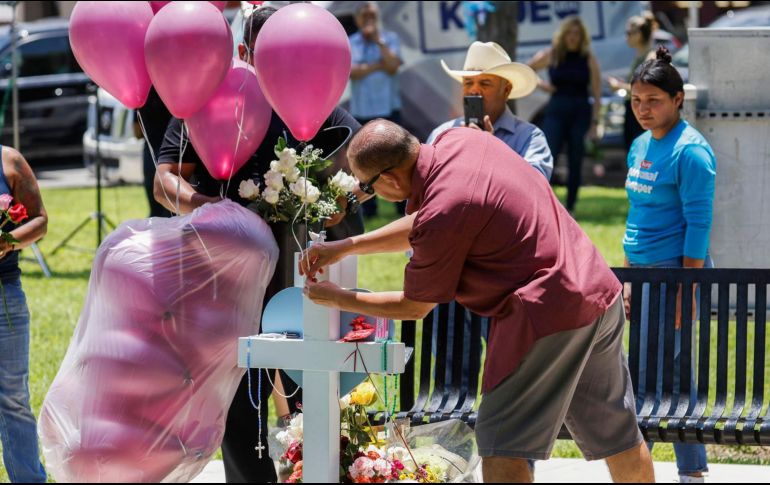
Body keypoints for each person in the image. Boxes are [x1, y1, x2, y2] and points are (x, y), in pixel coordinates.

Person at [300, 120, 655, 483]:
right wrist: (346, 246)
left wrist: (337, 298)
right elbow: (427, 221)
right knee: (618, 436)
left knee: (501, 445)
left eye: (366, 187)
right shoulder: (462, 140)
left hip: (546, 315)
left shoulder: (444, 209)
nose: (366, 193)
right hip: (596, 292)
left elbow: (414, 306)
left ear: (389, 180)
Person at [153, 6, 363, 483]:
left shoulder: (311, 94)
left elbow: (364, 163)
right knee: (237, 401)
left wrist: (339, 200)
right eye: (271, 54)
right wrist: (209, 206)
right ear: (245, 51)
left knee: (313, 391)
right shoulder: (205, 99)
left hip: (300, 279)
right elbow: (164, 180)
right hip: (223, 280)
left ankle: (319, 473)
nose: (284, 65)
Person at [623, 46, 715, 484]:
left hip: (673, 272)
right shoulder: (640, 144)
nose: (643, 109)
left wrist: (687, 288)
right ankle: (686, 470)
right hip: (640, 275)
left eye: (653, 101)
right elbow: (635, 213)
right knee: (658, 371)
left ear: (678, 99)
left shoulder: (691, 152)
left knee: (657, 373)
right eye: (636, 100)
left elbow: (699, 226)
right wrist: (625, 278)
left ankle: (660, 470)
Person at [428, 41, 553, 181]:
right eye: (468, 83)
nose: (474, 90)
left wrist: (491, 151)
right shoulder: (441, 135)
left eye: (485, 83)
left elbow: (535, 188)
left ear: (506, 90)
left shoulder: (530, 138)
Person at [0, 146, 48, 483]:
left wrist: (6, 242)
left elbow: (39, 220)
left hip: (4, 296)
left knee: (13, 397)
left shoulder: (9, 161)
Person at [528, 16, 602, 214]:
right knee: (548, 154)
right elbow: (528, 69)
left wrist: (595, 122)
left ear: (582, 37)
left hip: (580, 110)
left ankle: (570, 206)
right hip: (557, 108)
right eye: (570, 32)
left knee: (575, 158)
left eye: (577, 34)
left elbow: (596, 93)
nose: (573, 37)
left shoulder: (588, 58)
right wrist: (543, 86)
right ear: (563, 34)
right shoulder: (553, 54)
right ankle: (544, 203)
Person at [348, 1, 404, 217]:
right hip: (362, 110)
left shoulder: (389, 39)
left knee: (397, 157)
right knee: (363, 161)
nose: (368, 18)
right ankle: (369, 209)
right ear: (357, 19)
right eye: (364, 14)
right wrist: (377, 65)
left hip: (389, 107)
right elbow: (353, 72)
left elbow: (392, 65)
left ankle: (402, 205)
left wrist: (378, 42)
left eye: (372, 14)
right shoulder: (351, 42)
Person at [607, 12, 659, 152]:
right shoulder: (640, 57)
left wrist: (619, 86)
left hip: (642, 114)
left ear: (639, 34)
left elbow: (646, 90)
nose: (627, 37)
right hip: (634, 112)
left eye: (629, 32)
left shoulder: (650, 58)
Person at [136, 87, 173, 218]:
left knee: (155, 210)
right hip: (172, 152)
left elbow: (137, 133)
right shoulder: (171, 89)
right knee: (171, 209)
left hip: (150, 151)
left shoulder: (140, 91)